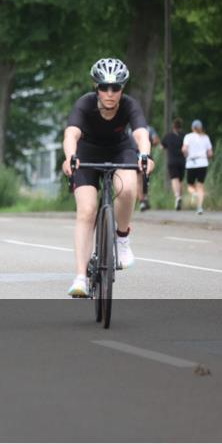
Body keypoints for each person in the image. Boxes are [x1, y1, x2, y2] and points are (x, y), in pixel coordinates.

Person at [62, 58, 153, 298]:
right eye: (104, 87)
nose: (110, 93)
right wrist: (70, 157)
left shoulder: (130, 105)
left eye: (116, 88)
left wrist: (145, 155)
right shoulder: (85, 104)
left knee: (128, 188)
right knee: (87, 210)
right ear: (96, 88)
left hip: (119, 150)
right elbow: (71, 134)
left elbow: (142, 133)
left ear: (123, 88)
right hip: (86, 153)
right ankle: (80, 277)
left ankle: (122, 239)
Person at [182, 119, 213, 215]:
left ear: (192, 127)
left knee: (190, 185)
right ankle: (199, 207)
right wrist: (207, 158)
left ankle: (194, 194)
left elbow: (184, 149)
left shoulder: (188, 137)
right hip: (203, 163)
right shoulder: (205, 137)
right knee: (200, 186)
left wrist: (186, 155)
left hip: (191, 163)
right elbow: (210, 153)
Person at [160, 118, 186, 210]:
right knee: (181, 180)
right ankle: (180, 197)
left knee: (174, 179)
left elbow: (161, 147)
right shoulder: (184, 136)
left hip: (172, 161)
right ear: (180, 126)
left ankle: (177, 196)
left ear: (173, 126)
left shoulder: (168, 136)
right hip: (182, 161)